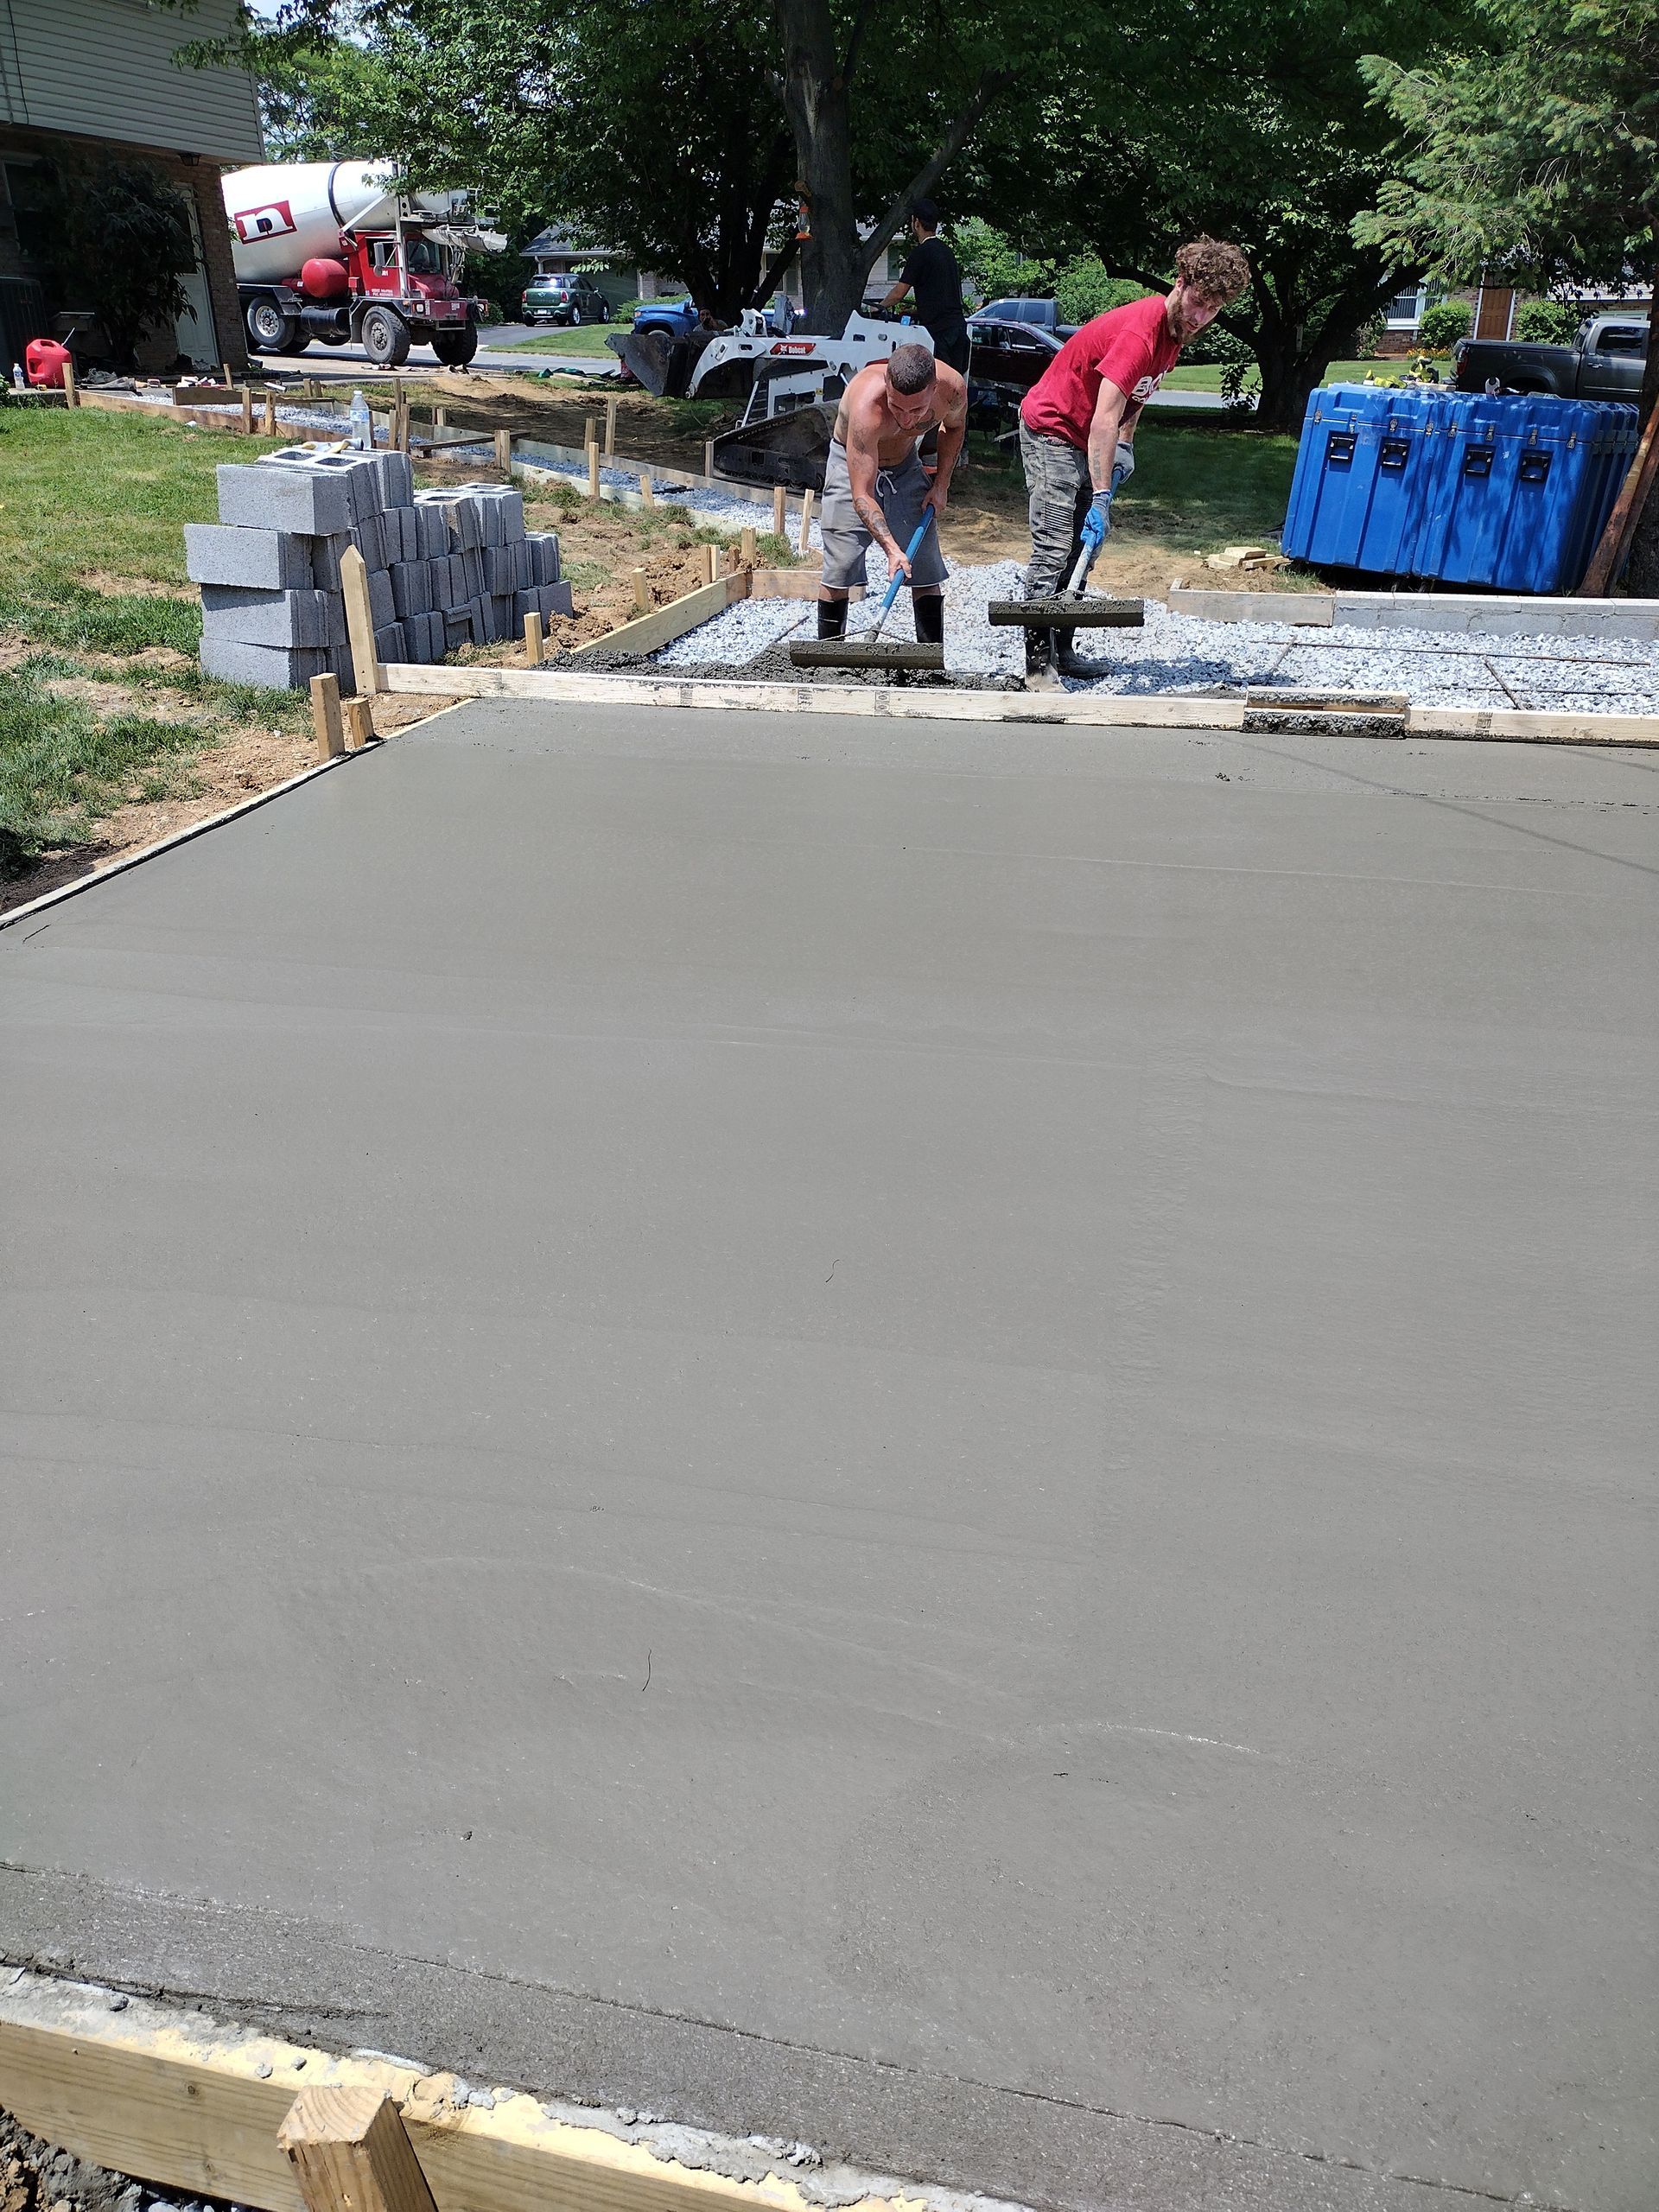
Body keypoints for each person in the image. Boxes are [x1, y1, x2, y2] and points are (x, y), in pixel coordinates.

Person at [1017, 237, 1249, 690]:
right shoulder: (1141, 335)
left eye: (1212, 309)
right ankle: (1037, 666)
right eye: (1198, 302)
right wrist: (1102, 495)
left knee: (1087, 549)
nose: (1201, 316)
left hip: (1087, 434)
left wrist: (1125, 444)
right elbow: (1103, 418)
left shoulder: (1176, 334)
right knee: (1055, 543)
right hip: (1053, 430)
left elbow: (1135, 398)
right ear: (1181, 284)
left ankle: (1063, 649)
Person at [816, 340, 968, 652]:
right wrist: (891, 549)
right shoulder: (866, 407)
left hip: (905, 463)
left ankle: (929, 663)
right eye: (897, 407)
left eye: (917, 410)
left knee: (924, 566)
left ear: (933, 387)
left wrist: (941, 485)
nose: (908, 419)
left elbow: (954, 429)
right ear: (887, 383)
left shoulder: (952, 389)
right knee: (840, 566)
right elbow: (862, 495)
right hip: (852, 465)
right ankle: (826, 661)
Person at [881, 199, 970, 373]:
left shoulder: (920, 253)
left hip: (939, 334)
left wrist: (879, 307)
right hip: (958, 330)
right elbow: (943, 296)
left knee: (935, 389)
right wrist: (916, 311)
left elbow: (899, 293)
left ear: (916, 222)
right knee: (955, 387)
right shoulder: (947, 252)